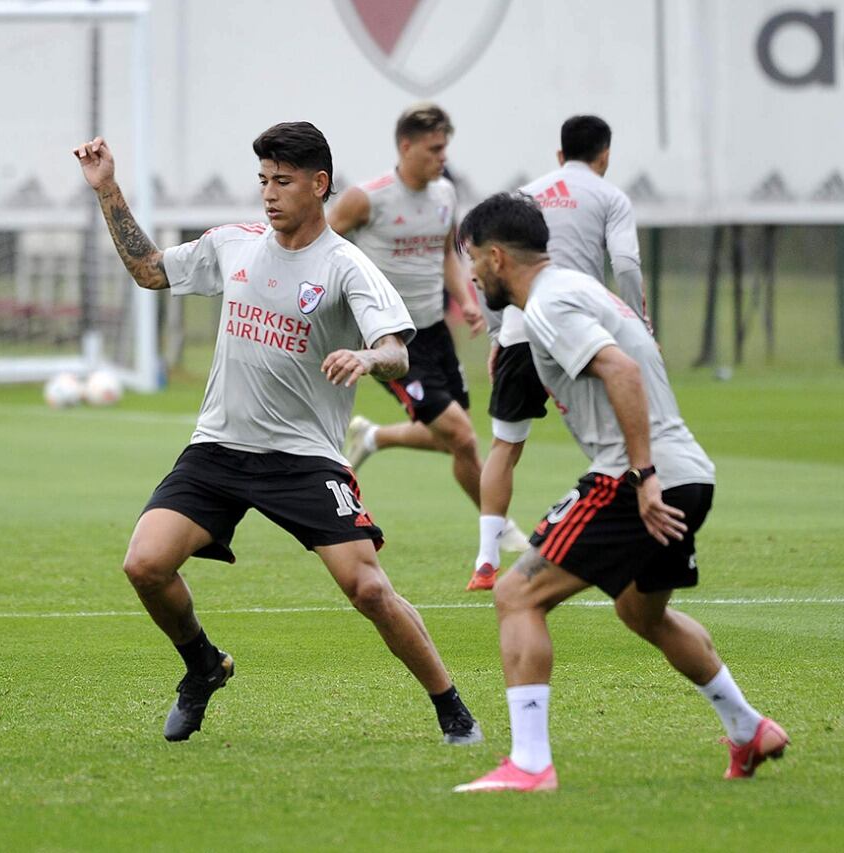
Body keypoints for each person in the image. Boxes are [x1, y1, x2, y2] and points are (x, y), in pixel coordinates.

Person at [73, 122, 482, 745]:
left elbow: (397, 350)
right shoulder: (233, 244)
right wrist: (108, 189)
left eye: (282, 181)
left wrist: (367, 360)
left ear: (319, 186)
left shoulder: (347, 266)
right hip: (219, 447)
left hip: (303, 460)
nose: (268, 193)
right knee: (145, 564)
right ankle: (203, 667)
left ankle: (452, 709)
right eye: (263, 179)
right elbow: (150, 271)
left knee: (369, 589)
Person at [452, 192, 787, 793]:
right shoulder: (576, 290)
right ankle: (748, 727)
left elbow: (623, 372)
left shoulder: (550, 301)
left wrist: (641, 475)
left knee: (517, 596)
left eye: (473, 260)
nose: (472, 276)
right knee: (640, 611)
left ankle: (530, 765)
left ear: (497, 257)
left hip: (640, 480)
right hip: (690, 474)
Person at [330, 104, 531, 576]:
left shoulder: (444, 194)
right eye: (434, 148)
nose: (443, 157)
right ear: (406, 147)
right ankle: (498, 526)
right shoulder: (368, 198)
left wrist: (465, 298)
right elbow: (325, 244)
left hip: (435, 332)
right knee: (461, 434)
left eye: (446, 147)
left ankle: (373, 436)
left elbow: (446, 256)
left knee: (452, 440)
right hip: (391, 340)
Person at [471, 115, 652, 591]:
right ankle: (636, 519)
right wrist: (635, 320)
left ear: (559, 155)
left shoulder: (526, 195)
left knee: (505, 447)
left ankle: (486, 558)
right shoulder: (610, 195)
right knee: (615, 440)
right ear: (605, 156)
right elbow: (628, 263)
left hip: (517, 327)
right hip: (580, 329)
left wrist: (496, 334)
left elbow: (487, 265)